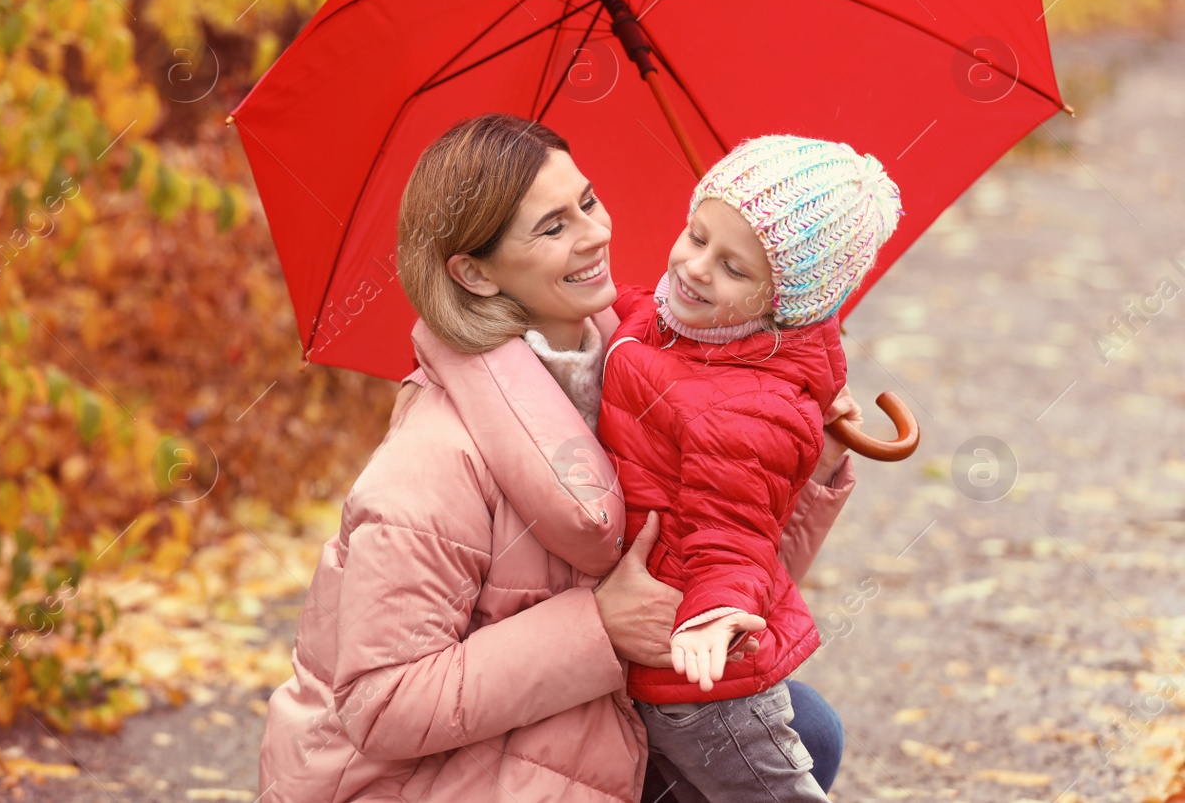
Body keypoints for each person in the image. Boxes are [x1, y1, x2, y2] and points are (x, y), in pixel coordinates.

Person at [258, 115, 863, 802]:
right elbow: (381, 701)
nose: (596, 233)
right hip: (426, 780)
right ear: (474, 274)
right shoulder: (431, 460)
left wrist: (803, 460)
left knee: (800, 726)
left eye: (588, 200)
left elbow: (718, 569)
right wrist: (599, 626)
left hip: (555, 725)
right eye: (553, 228)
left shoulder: (643, 367)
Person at [598, 135, 902, 801]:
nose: (696, 267)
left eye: (734, 267)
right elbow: (629, 315)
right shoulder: (676, 321)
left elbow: (733, 529)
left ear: (781, 303)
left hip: (702, 682)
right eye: (696, 234)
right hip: (659, 662)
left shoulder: (751, 405)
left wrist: (718, 610)